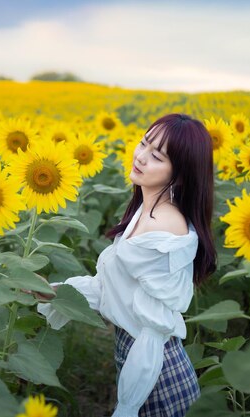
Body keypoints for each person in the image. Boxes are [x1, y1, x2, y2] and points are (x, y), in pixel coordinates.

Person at [36, 113, 216, 417]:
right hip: (138, 360)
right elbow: (112, 289)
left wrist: (128, 406)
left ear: (181, 173)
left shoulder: (164, 229)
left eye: (157, 156)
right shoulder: (146, 211)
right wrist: (57, 291)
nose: (142, 157)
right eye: (144, 144)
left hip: (155, 373)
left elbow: (153, 326)